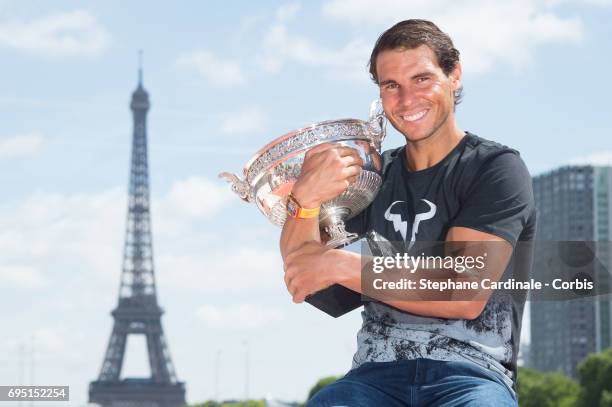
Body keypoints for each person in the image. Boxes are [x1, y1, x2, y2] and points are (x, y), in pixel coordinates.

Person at [280, 19, 536, 407]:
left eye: (422, 79)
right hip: (373, 377)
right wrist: (304, 202)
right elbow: (302, 273)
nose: (406, 99)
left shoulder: (496, 169)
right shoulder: (372, 178)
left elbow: (463, 290)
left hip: (471, 375)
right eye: (391, 85)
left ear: (455, 75)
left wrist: (340, 267)